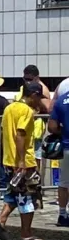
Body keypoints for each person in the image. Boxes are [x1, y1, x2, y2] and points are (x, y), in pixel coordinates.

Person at [0, 82, 46, 240]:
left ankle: (1, 219)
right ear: (33, 95)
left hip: (8, 159)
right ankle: (26, 233)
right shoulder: (26, 111)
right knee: (29, 196)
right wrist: (22, 161)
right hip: (24, 161)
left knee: (14, 193)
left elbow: (5, 132)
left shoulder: (9, 108)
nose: (39, 102)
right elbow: (20, 134)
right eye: (39, 98)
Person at [46, 75, 69, 227]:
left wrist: (64, 132)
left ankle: (62, 214)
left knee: (63, 183)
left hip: (67, 147)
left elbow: (52, 127)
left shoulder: (61, 100)